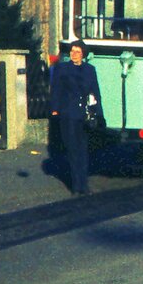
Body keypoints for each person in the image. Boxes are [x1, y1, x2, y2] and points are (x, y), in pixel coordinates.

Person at [49, 40, 103, 194]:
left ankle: (83, 184)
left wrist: (99, 113)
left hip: (84, 116)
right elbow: (56, 90)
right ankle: (76, 185)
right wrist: (54, 110)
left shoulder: (90, 70)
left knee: (83, 149)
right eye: (72, 51)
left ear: (83, 54)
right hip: (68, 114)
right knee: (73, 149)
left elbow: (95, 92)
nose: (74, 54)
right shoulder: (62, 69)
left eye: (78, 52)